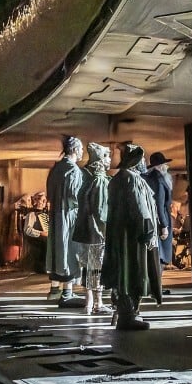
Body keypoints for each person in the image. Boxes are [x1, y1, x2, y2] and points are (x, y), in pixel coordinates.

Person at [101, 143, 159, 330]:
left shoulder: (118, 179)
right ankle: (129, 315)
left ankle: (126, 313)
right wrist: (149, 232)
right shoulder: (131, 179)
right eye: (141, 158)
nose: (143, 161)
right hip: (132, 239)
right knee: (133, 272)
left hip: (120, 235)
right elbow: (140, 209)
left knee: (122, 273)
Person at [72, 142, 112, 315]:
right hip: (96, 231)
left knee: (87, 267)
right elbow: (101, 210)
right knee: (97, 267)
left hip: (82, 229)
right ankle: (97, 303)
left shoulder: (83, 174)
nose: (110, 159)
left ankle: (88, 304)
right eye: (107, 156)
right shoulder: (100, 179)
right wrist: (105, 230)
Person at [46, 136, 85, 307]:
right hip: (69, 216)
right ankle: (67, 293)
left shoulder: (55, 169)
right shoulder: (74, 171)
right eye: (81, 149)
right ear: (75, 150)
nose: (83, 152)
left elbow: (49, 193)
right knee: (69, 250)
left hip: (55, 215)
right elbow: (74, 197)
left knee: (56, 248)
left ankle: (54, 290)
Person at [143, 151, 174, 297]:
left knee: (156, 256)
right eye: (165, 164)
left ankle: (153, 288)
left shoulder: (148, 178)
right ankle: (156, 289)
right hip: (162, 221)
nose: (166, 167)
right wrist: (164, 226)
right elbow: (160, 205)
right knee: (161, 257)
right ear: (160, 166)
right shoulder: (159, 180)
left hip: (153, 220)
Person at [20, 192, 50, 272]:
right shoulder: (31, 214)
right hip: (34, 238)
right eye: (40, 200)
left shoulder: (46, 215)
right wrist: (40, 233)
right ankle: (42, 267)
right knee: (46, 241)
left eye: (44, 201)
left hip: (44, 237)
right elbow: (27, 230)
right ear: (35, 201)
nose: (42, 203)